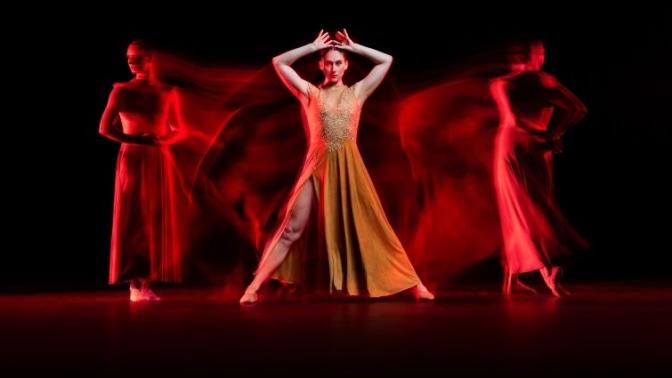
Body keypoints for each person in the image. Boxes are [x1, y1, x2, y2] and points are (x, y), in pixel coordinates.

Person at [239, 30, 434, 304]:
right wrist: (311, 46)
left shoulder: (358, 93)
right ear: (321, 65)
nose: (333, 68)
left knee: (375, 226)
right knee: (291, 229)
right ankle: (253, 287)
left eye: (338, 63)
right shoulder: (310, 94)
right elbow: (278, 62)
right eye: (328, 63)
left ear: (346, 65)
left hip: (350, 169)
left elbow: (386, 61)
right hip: (317, 166)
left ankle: (415, 284)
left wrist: (353, 47)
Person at [490, 40, 588, 296]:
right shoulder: (542, 82)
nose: (541, 58)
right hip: (534, 147)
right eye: (537, 53)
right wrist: (553, 133)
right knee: (531, 206)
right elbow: (577, 109)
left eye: (542, 53)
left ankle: (535, 271)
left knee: (520, 207)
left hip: (513, 146)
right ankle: (531, 272)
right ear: (526, 56)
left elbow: (513, 120)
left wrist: (549, 133)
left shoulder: (503, 83)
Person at [99, 40, 185, 301]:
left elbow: (178, 129)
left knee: (152, 219)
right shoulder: (121, 91)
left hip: (157, 159)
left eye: (137, 57)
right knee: (134, 218)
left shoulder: (167, 92)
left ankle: (144, 282)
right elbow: (104, 128)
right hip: (134, 158)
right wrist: (140, 140)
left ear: (150, 58)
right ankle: (134, 283)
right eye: (129, 57)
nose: (131, 61)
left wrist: (162, 140)